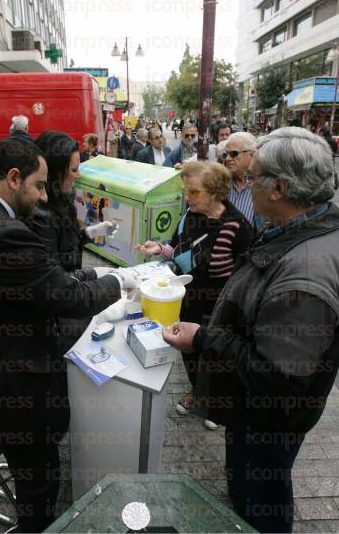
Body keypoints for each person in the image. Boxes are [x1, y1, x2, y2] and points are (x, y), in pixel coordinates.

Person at [0, 136, 139, 533]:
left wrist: (91, 275)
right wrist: (118, 281)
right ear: (14, 178)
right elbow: (66, 298)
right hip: (10, 391)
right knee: (40, 487)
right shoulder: (2, 232)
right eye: (38, 185)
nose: (44, 197)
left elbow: (36, 281)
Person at [162, 127, 339, 533]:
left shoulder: (305, 274)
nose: (243, 184)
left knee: (261, 499)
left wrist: (204, 338)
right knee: (251, 486)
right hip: (259, 414)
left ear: (277, 187)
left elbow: (279, 376)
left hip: (269, 420)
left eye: (252, 175)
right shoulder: (301, 231)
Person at [137, 161, 253, 429]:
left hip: (220, 308)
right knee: (189, 352)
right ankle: (197, 393)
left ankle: (215, 402)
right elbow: (181, 252)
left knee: (214, 356)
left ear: (216, 192)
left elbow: (247, 276)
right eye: (186, 191)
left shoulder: (238, 227)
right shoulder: (191, 215)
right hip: (188, 299)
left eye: (194, 192)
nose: (187, 198)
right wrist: (161, 249)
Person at [29, 130, 117, 351]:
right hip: (56, 321)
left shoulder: (61, 199)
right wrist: (106, 280)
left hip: (69, 306)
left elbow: (67, 244)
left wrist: (92, 232)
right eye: (74, 170)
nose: (78, 175)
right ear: (55, 170)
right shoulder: (39, 216)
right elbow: (55, 282)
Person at [223, 132, 257, 227]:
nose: (228, 159)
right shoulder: (220, 183)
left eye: (234, 154)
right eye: (225, 155)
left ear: (252, 154)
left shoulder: (264, 184)